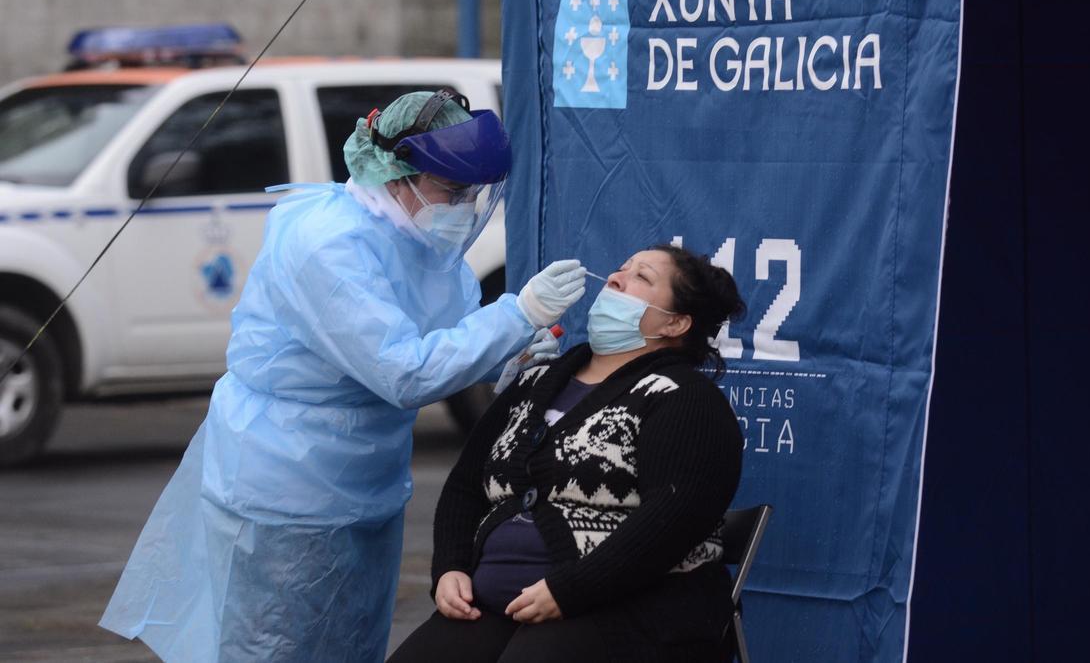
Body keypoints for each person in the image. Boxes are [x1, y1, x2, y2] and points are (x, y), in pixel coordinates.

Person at [100, 89, 588, 662]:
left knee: (352, 646)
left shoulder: (418, 241)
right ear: (397, 175)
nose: (463, 206)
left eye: (471, 194)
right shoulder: (327, 244)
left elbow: (444, 336)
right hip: (288, 490)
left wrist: (511, 353)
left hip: (366, 485)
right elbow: (404, 371)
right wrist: (515, 315)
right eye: (452, 192)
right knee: (272, 649)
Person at [389, 245, 747, 663]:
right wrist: (449, 568)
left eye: (642, 278)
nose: (615, 279)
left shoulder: (683, 398)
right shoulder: (534, 382)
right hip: (494, 607)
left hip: (629, 610)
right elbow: (466, 486)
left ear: (675, 323)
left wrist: (569, 590)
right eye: (620, 267)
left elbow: (672, 520)